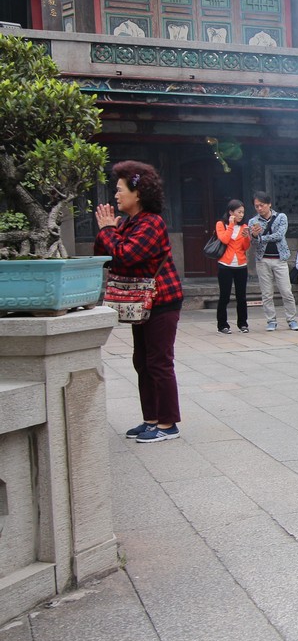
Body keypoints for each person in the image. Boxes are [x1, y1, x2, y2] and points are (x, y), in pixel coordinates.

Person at [95, 161, 184, 443]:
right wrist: (108, 231)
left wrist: (109, 231)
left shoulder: (152, 223)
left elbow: (126, 255)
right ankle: (151, 419)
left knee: (159, 361)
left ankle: (169, 424)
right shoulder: (129, 222)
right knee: (142, 361)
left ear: (138, 193)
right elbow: (106, 255)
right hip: (142, 302)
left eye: (120, 189)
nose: (116, 195)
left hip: (162, 300)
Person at [249, 191, 298, 332]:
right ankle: (271, 320)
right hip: (262, 260)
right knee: (266, 293)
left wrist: (260, 237)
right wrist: (253, 235)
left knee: (286, 291)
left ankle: (291, 319)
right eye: (256, 206)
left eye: (262, 205)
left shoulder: (281, 217)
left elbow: (279, 235)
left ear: (269, 204)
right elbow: (253, 242)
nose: (259, 208)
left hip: (279, 259)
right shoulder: (253, 221)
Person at [214, 199, 252, 334]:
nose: (241, 215)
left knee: (241, 296)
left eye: (243, 212)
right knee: (224, 296)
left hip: (241, 264)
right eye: (238, 212)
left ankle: (243, 323)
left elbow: (246, 247)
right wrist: (231, 224)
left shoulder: (244, 226)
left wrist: (247, 237)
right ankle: (222, 325)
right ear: (231, 212)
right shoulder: (221, 224)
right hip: (225, 265)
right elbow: (224, 239)